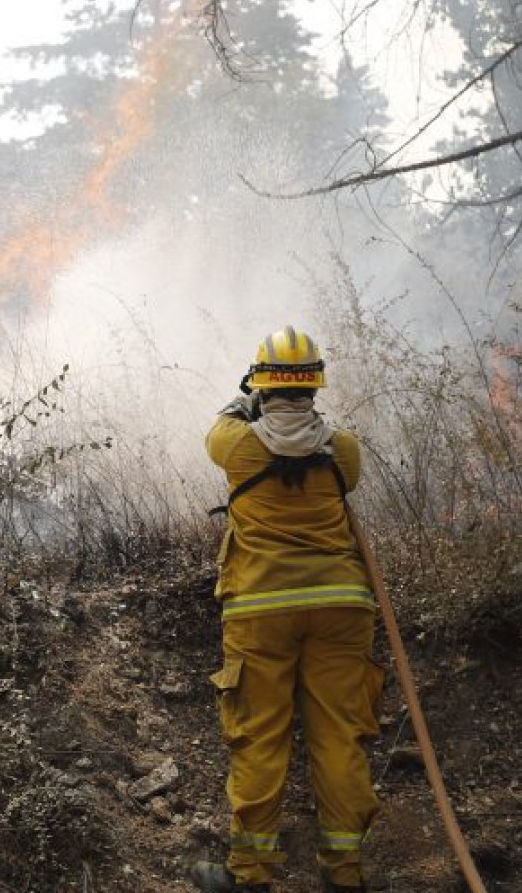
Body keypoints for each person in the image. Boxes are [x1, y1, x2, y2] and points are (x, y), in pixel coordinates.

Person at [191, 326, 382, 893]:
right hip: (343, 608)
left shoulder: (236, 444)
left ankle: (251, 875)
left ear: (262, 385)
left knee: (260, 737)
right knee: (340, 738)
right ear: (315, 387)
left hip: (261, 611)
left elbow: (223, 421)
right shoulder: (342, 448)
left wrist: (244, 399)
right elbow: (346, 477)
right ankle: (344, 873)